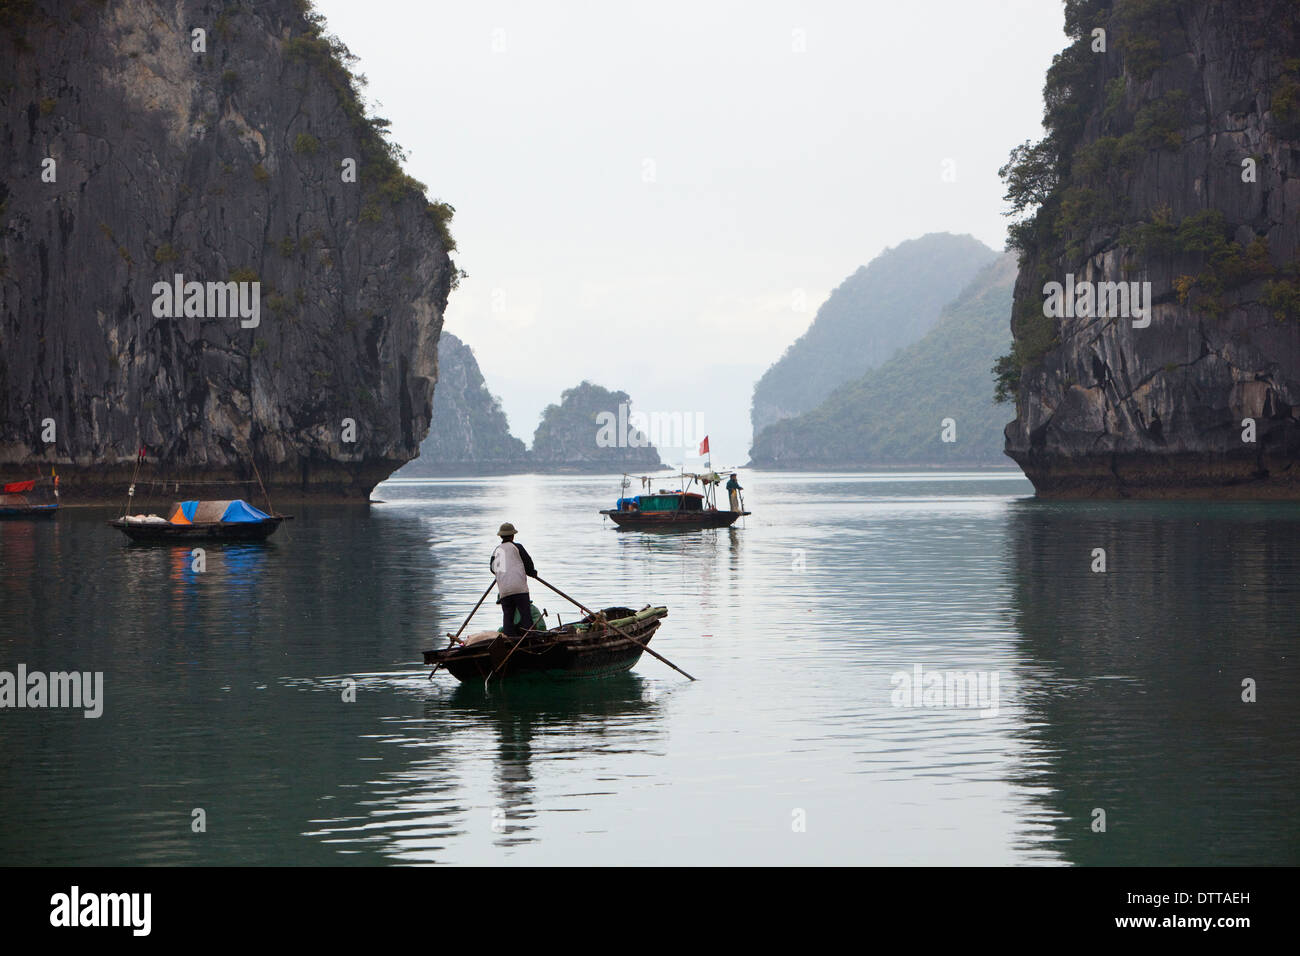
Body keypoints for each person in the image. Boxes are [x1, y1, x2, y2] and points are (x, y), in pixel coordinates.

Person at [490, 522, 538, 637]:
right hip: (519, 589)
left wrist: (504, 572)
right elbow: (528, 564)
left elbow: (493, 569)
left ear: (501, 536)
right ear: (512, 536)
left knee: (508, 617)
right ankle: (529, 639)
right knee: (526, 615)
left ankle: (509, 639)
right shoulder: (517, 547)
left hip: (504, 591)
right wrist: (532, 573)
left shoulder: (497, 551)